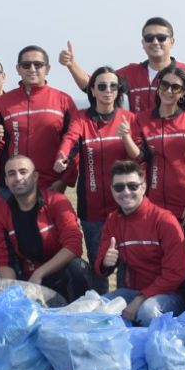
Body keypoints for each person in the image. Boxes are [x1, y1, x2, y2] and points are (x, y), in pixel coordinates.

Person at [54, 66, 137, 269]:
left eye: (113, 86)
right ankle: (99, 299)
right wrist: (62, 156)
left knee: (128, 264)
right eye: (101, 86)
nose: (107, 90)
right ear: (92, 90)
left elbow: (140, 156)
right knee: (99, 264)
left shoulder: (129, 119)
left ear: (118, 91)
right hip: (92, 208)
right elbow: (71, 139)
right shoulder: (82, 118)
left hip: (125, 205)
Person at [97, 160, 185, 325]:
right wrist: (105, 262)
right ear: (112, 190)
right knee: (96, 309)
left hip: (169, 294)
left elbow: (175, 274)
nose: (126, 192)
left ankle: (158, 349)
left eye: (132, 186)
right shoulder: (113, 220)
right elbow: (101, 268)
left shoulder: (164, 220)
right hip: (132, 292)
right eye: (119, 187)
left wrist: (141, 298)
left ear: (144, 187)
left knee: (147, 311)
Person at [0, 155, 96, 301]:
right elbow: (4, 259)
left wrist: (40, 273)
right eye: (11, 174)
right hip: (27, 279)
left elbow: (74, 246)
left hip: (58, 275)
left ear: (35, 176)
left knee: (78, 267)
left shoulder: (56, 201)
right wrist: (13, 292)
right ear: (6, 181)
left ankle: (79, 315)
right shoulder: (1, 213)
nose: (18, 178)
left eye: (23, 172)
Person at [59, 17, 185, 117]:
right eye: (149, 38)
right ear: (143, 43)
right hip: (140, 145)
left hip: (178, 144)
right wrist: (72, 64)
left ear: (172, 41)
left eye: (161, 37)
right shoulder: (131, 73)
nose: (155, 42)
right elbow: (92, 86)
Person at [129, 65, 185, 235]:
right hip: (154, 206)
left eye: (175, 88)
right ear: (158, 87)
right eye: (165, 85)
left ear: (183, 93)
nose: (169, 90)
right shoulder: (141, 120)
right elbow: (138, 159)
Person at [0, 45, 75, 196]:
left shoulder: (63, 100)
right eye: (26, 65)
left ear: (48, 68)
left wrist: (64, 181)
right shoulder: (3, 102)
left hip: (50, 186)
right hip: (12, 187)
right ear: (18, 69)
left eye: (38, 64)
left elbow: (75, 145)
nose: (32, 69)